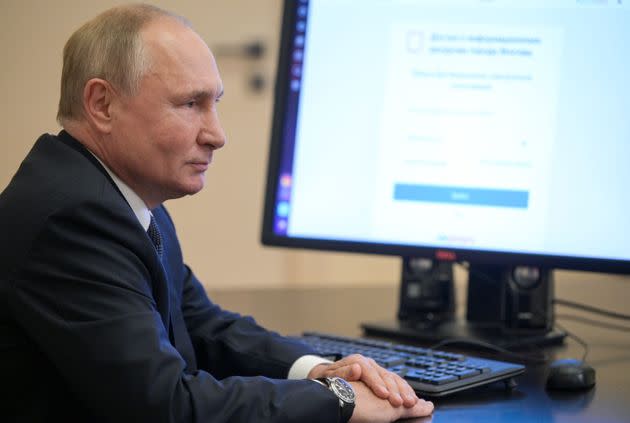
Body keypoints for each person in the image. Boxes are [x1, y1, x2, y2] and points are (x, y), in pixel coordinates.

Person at [0, 4, 434, 422]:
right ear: (102, 104)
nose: (217, 134)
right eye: (190, 104)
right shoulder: (72, 219)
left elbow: (199, 324)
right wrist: (336, 399)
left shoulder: (120, 197)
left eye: (216, 103)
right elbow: (169, 406)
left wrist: (318, 371)